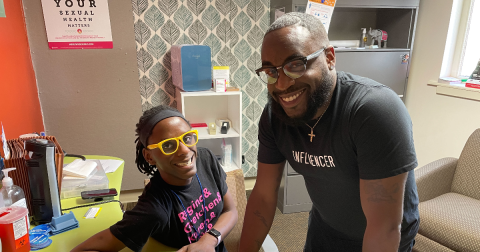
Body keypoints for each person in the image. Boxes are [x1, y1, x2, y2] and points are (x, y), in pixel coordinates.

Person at [239, 12, 419, 252]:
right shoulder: (275, 116)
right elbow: (263, 197)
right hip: (325, 231)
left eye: (295, 65)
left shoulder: (373, 112)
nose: (281, 84)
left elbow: (383, 227)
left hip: (382, 238)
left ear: (330, 57)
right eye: (271, 71)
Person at [72, 105, 238, 252]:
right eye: (168, 145)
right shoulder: (154, 208)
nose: (185, 151)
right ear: (149, 156)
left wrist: (209, 240)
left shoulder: (206, 159)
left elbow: (230, 210)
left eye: (187, 138)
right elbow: (86, 249)